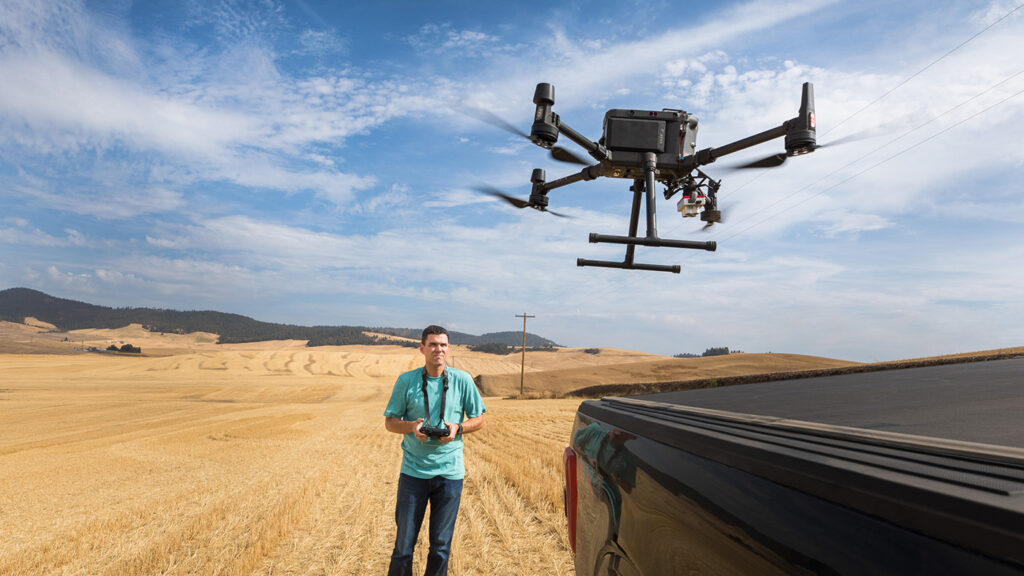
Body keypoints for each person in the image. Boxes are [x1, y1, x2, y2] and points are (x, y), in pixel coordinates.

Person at [384, 325, 486, 576]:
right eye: (432, 344)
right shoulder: (406, 381)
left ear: (448, 349)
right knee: (403, 548)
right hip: (413, 474)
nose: (438, 349)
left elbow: (480, 418)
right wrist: (412, 426)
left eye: (442, 344)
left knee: (440, 547)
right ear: (422, 348)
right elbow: (390, 421)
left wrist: (458, 428)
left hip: (450, 475)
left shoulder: (462, 380)